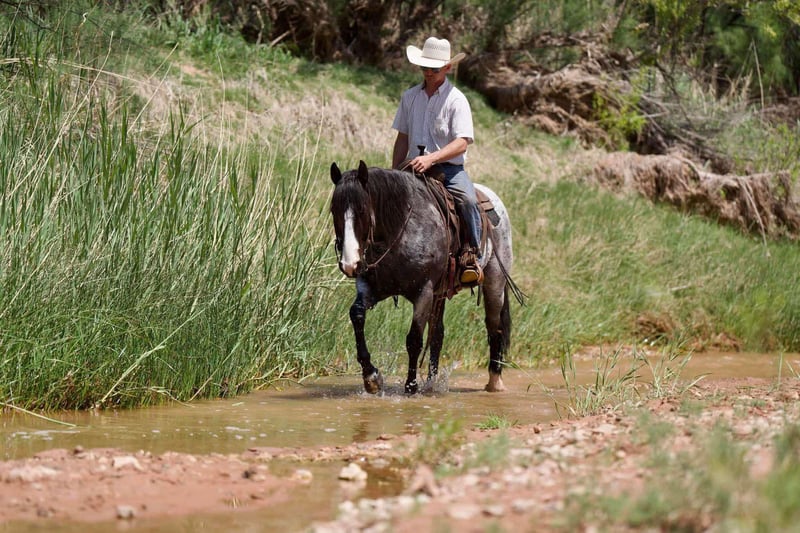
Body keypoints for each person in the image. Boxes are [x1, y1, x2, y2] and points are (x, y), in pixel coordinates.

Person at [391, 36, 483, 285]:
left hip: (448, 170)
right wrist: (394, 170)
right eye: (425, 67)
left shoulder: (456, 100)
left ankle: (471, 255)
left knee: (468, 200)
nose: (428, 73)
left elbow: (462, 142)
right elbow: (402, 137)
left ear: (447, 68)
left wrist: (431, 158)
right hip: (413, 166)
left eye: (434, 69)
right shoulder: (410, 97)